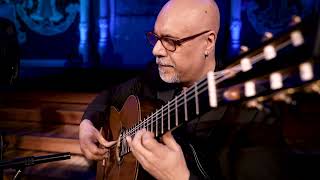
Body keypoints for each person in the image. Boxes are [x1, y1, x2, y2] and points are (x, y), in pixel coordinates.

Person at [79, 0, 285, 179]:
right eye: (156, 38)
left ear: (208, 42)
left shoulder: (254, 118)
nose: (156, 50)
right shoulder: (155, 77)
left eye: (170, 41)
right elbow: (110, 95)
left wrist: (180, 177)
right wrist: (88, 123)